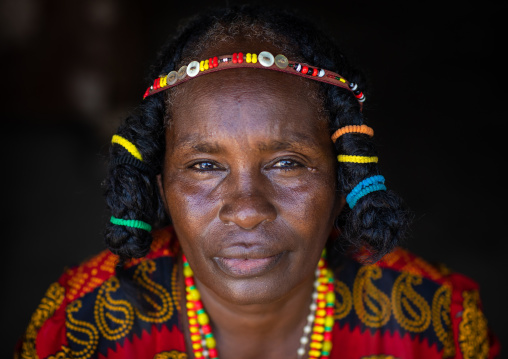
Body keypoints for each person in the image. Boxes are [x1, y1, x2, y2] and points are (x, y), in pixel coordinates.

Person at [15, 5, 500, 359]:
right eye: (205, 165)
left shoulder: (442, 323)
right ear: (161, 187)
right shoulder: (80, 328)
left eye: (287, 163)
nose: (246, 209)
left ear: (343, 180)